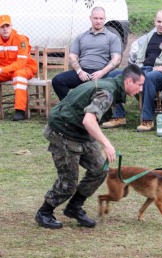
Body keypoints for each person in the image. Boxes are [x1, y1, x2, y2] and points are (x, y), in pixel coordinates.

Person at [35, 65, 146, 230]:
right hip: (63, 131)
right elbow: (89, 120)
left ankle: (74, 207)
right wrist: (107, 144)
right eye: (140, 85)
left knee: (100, 169)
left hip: (80, 132)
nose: (141, 89)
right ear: (129, 81)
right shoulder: (107, 92)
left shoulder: (113, 88)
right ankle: (45, 211)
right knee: (68, 182)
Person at [102, 10, 162, 132]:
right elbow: (139, 58)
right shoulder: (149, 37)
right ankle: (118, 116)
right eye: (159, 21)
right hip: (143, 69)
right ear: (154, 21)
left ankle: (147, 120)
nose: (161, 24)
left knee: (149, 78)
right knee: (111, 75)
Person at [51, 7, 122, 101]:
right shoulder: (81, 37)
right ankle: (70, 107)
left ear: (105, 19)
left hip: (103, 74)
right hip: (83, 74)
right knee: (58, 81)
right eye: (95, 18)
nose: (98, 21)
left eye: (101, 18)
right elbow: (72, 56)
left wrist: (102, 72)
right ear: (90, 18)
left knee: (116, 80)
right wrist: (79, 71)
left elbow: (116, 59)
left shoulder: (112, 38)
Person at [0, 15, 38, 121]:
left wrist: (2, 70)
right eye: (2, 26)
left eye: (7, 26)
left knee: (19, 75)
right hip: (6, 70)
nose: (5, 29)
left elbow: (21, 63)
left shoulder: (20, 39)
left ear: (11, 26)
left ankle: (20, 111)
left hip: (25, 68)